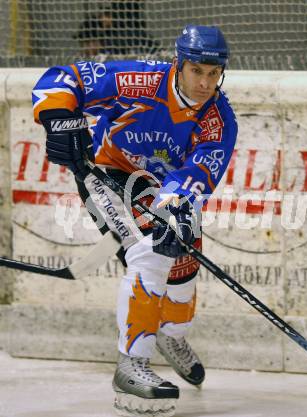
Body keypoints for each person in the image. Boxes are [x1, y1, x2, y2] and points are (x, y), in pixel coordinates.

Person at [32, 25, 237, 416]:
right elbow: (65, 78)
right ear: (179, 64)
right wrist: (58, 115)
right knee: (151, 251)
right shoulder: (140, 80)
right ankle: (132, 364)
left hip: (160, 185)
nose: (205, 82)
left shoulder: (219, 121)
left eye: (213, 74)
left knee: (185, 265)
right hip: (106, 173)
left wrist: (172, 206)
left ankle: (170, 335)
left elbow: (197, 171)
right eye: (197, 71)